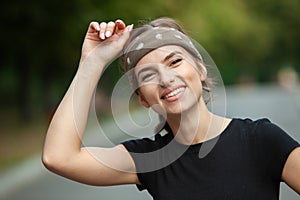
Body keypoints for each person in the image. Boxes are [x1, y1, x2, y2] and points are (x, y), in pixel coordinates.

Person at [42, 17, 300, 199]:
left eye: (175, 61)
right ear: (143, 99)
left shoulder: (261, 140)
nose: (166, 79)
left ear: (199, 68)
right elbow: (58, 157)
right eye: (148, 76)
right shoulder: (150, 161)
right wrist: (91, 61)